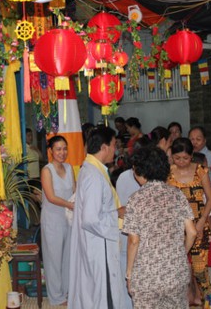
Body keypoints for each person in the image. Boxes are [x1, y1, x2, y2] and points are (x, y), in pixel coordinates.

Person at [123, 146, 197, 308]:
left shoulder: (136, 199)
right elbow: (192, 232)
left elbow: (134, 241)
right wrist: (181, 252)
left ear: (140, 171)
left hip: (146, 276)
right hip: (175, 272)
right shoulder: (177, 194)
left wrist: (129, 273)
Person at [69, 126, 125, 309]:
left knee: (97, 292)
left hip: (97, 241)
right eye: (114, 145)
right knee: (102, 294)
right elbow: (91, 219)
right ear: (104, 147)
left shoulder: (95, 169)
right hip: (99, 245)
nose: (115, 150)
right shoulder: (93, 175)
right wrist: (117, 214)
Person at [167, 137, 211, 299]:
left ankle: (208, 301)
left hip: (199, 226)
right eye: (177, 158)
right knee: (176, 270)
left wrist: (202, 221)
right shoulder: (167, 173)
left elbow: (210, 198)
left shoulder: (200, 171)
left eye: (185, 158)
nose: (181, 162)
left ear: (192, 155)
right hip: (176, 228)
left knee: (200, 270)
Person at [116, 136, 153, 309]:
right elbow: (123, 210)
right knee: (127, 280)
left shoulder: (153, 178)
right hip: (129, 236)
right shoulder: (125, 177)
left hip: (147, 239)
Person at [40, 135, 75, 306]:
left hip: (69, 219)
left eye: (65, 149)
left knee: (68, 256)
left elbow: (75, 191)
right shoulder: (47, 170)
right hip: (52, 220)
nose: (62, 152)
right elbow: (51, 197)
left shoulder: (69, 167)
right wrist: (70, 205)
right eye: (58, 149)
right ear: (51, 151)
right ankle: (56, 296)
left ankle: (67, 291)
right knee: (53, 259)